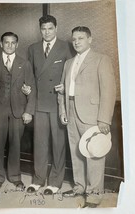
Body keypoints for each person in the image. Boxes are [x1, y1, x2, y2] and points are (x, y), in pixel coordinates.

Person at [57, 26, 116, 207]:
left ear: (90, 39)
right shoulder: (68, 63)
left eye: (81, 38)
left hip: (92, 113)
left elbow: (109, 91)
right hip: (71, 108)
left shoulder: (101, 60)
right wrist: (63, 110)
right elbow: (62, 90)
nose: (76, 42)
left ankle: (94, 193)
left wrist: (104, 118)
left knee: (94, 152)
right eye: (74, 39)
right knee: (76, 151)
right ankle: (79, 187)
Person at [26, 15, 72, 195]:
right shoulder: (33, 48)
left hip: (57, 103)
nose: (47, 32)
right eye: (43, 29)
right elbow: (30, 76)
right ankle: (38, 179)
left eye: (50, 28)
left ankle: (55, 182)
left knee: (58, 144)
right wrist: (26, 87)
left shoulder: (66, 47)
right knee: (40, 144)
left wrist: (65, 87)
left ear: (56, 28)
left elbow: (72, 74)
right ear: (40, 30)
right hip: (39, 103)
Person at [0, 32, 36, 190]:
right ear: (1, 44)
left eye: (13, 43)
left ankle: (15, 176)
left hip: (18, 109)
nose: (9, 45)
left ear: (17, 44)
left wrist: (29, 111)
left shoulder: (25, 63)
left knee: (16, 144)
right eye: (6, 42)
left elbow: (32, 88)